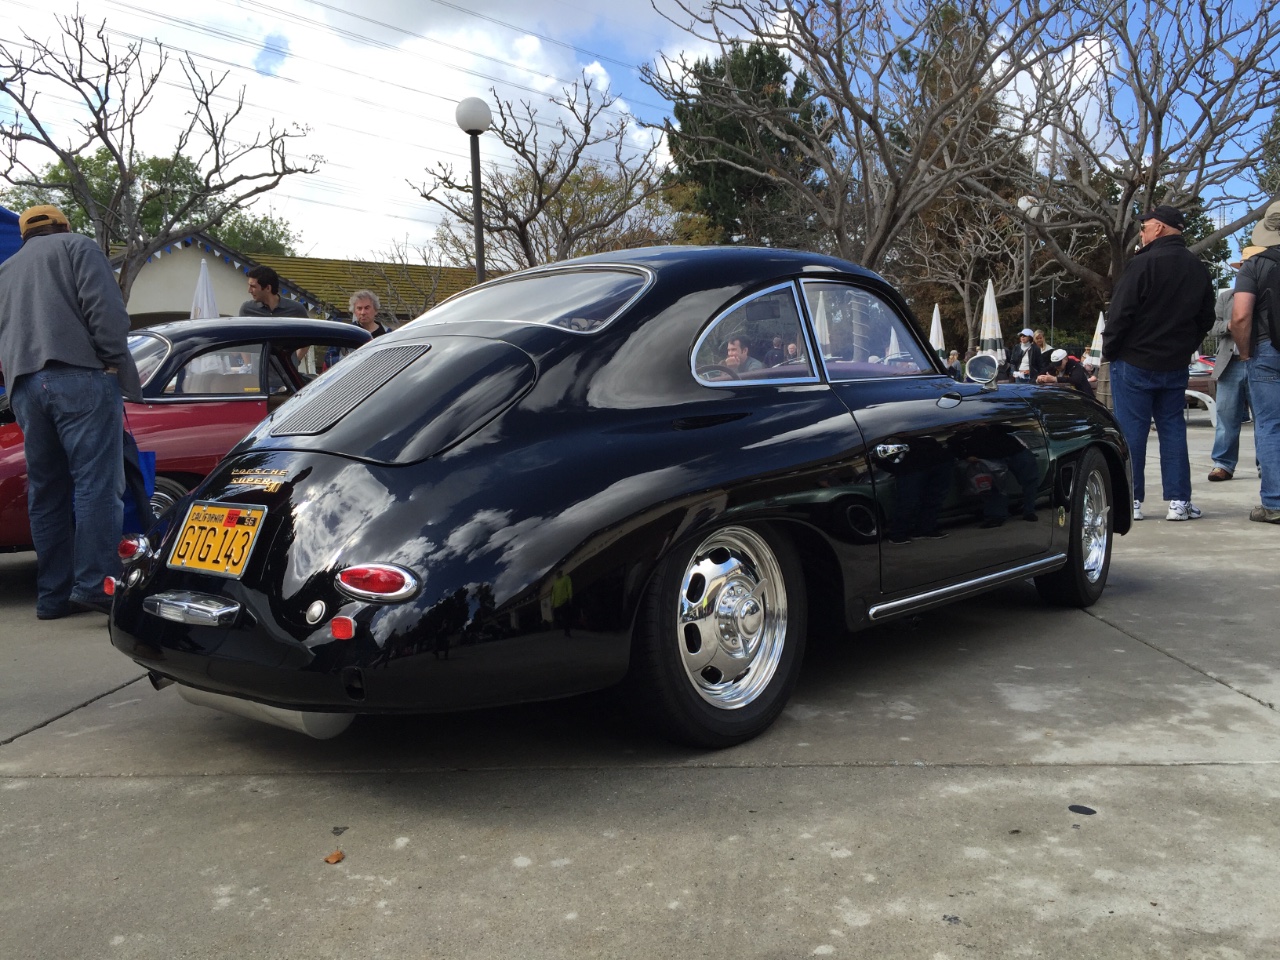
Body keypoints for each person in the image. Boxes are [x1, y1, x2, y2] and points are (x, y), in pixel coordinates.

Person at [0, 205, 143, 619]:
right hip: (79, 377)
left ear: (25, 234)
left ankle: (52, 595)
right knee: (97, 486)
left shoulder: (6, 271)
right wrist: (113, 363)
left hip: (24, 387)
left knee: (47, 493)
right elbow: (107, 314)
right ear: (62, 225)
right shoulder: (77, 247)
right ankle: (97, 585)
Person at [1104, 204, 1215, 522]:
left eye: (1145, 226)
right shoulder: (1197, 267)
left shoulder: (1142, 264)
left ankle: (1131, 501)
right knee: (1172, 428)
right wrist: (1185, 347)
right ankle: (1179, 502)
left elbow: (1120, 313)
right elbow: (1206, 317)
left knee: (1132, 431)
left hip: (1135, 360)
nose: (1141, 232)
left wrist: (1112, 351)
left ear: (1160, 227)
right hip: (1174, 363)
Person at [1229, 201, 1280, 524]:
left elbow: (1241, 315)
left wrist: (1245, 352)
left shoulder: (1255, 265)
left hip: (1267, 351)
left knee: (1271, 426)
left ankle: (1274, 503)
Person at [1207, 246, 1262, 482]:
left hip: (1262, 361)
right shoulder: (1226, 297)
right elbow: (1210, 327)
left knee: (1266, 419)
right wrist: (1231, 325)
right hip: (1231, 364)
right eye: (1242, 268)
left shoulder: (1270, 295)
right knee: (1226, 417)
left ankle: (1267, 464)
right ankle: (1223, 464)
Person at [239, 265, 309, 318]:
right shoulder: (246, 309)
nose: (249, 290)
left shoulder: (297, 309)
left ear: (268, 288)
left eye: (253, 286)